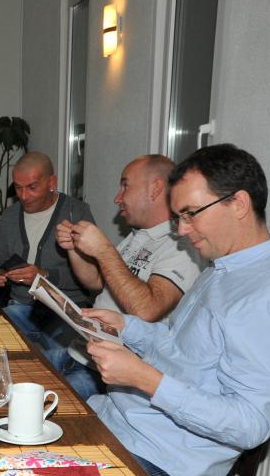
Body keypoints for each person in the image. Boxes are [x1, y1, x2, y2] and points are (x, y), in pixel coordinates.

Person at [85, 144, 270, 476]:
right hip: (124, 422)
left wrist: (145, 379)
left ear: (239, 204)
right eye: (179, 216)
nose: (181, 229)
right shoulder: (226, 266)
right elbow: (181, 346)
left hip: (163, 462)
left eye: (191, 214)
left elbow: (249, 424)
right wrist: (127, 326)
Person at [51, 154, 203, 399]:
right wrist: (73, 249)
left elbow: (147, 309)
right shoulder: (138, 236)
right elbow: (97, 282)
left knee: (31, 403)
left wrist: (103, 250)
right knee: (12, 367)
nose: (117, 198)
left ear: (155, 189)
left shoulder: (182, 246)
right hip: (81, 351)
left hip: (110, 374)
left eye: (125, 186)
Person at [0, 151, 93, 351]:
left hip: (65, 312)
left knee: (55, 361)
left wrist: (45, 275)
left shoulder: (76, 213)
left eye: (32, 187)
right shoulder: (10, 216)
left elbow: (92, 279)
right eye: (18, 188)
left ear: (51, 183)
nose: (24, 196)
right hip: (20, 307)